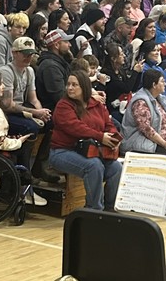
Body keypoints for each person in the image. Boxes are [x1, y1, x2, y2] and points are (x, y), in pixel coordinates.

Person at [49, 71, 122, 211]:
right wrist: (101, 137)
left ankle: (110, 208)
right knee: (94, 166)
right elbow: (77, 128)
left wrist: (113, 137)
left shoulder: (97, 105)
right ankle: (94, 209)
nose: (70, 88)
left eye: (74, 85)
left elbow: (109, 124)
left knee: (116, 168)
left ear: (84, 87)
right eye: (68, 84)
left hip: (91, 150)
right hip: (62, 151)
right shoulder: (63, 106)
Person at [122, 68, 166, 156]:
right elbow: (146, 129)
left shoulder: (161, 99)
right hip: (146, 142)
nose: (165, 84)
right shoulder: (140, 102)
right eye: (162, 81)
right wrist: (165, 144)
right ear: (154, 85)